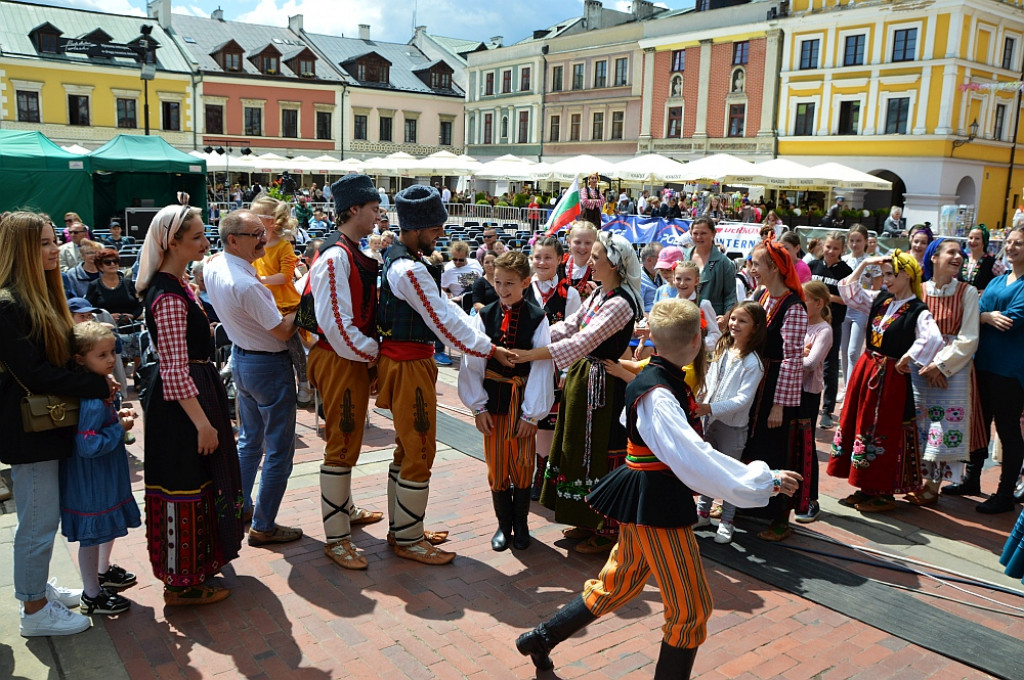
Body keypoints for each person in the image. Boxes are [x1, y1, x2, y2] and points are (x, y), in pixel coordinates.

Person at [515, 298, 803, 677]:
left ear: (652, 338)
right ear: (697, 343)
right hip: (657, 501)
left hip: (646, 494)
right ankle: (543, 637)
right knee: (690, 609)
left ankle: (542, 637)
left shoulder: (653, 376)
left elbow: (659, 438)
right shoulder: (660, 391)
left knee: (618, 583)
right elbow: (693, 456)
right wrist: (764, 480)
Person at [376, 185, 515, 565]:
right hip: (408, 366)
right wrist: (489, 348)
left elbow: (444, 314)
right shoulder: (409, 268)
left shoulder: (398, 258)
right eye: (435, 226)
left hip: (408, 361)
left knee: (408, 447)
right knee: (420, 448)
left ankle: (405, 527)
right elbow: (443, 320)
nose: (440, 233)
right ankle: (407, 538)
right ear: (417, 226)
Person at [1, 211, 117, 636]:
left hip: (44, 426)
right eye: (45, 243)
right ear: (22, 250)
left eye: (55, 241)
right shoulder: (8, 303)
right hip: (26, 429)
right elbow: (34, 373)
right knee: (37, 521)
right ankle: (33, 611)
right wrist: (94, 383)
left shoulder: (38, 296)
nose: (54, 249)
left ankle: (37, 591)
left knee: (38, 519)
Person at [136, 197, 243, 605]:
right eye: (196, 237)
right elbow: (175, 370)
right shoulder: (167, 296)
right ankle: (182, 583)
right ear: (172, 243)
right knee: (185, 483)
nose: (204, 242)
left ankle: (199, 565)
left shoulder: (179, 285)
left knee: (201, 480)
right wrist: (202, 422)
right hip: (183, 404)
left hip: (197, 392)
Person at [513, 233, 644, 554]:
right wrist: (532, 334)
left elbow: (581, 342)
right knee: (579, 448)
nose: (590, 262)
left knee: (601, 449)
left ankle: (609, 528)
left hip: (604, 385)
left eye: (597, 258)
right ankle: (588, 518)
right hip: (585, 379)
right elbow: (570, 326)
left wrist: (532, 354)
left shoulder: (620, 303)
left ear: (614, 264)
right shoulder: (601, 294)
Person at [204, 209, 302, 548]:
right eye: (255, 235)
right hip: (267, 365)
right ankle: (264, 525)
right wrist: (302, 306)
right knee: (278, 451)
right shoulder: (246, 283)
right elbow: (281, 331)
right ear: (233, 240)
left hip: (242, 359)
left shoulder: (215, 264)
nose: (263, 239)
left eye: (263, 232)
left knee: (249, 442)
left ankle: (241, 509)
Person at [304, 174, 385, 570]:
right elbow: (336, 326)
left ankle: (345, 511)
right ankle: (336, 538)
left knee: (348, 438)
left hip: (343, 356)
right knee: (341, 440)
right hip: (340, 358)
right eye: (373, 208)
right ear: (353, 209)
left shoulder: (345, 251)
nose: (377, 214)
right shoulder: (337, 256)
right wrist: (375, 354)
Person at [827, 250, 943, 513]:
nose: (886, 279)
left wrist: (909, 357)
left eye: (892, 274)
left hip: (890, 377)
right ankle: (865, 486)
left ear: (908, 275)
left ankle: (883, 492)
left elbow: (933, 338)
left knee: (880, 430)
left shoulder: (917, 310)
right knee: (860, 424)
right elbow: (848, 290)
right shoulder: (881, 299)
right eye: (885, 273)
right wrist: (866, 263)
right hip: (868, 369)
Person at [458, 252, 554, 551]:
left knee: (523, 464)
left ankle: (521, 524)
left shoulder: (538, 318)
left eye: (510, 283)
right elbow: (472, 363)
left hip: (522, 403)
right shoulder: (484, 316)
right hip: (494, 403)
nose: (503, 289)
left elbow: (541, 368)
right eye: (498, 282)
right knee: (497, 466)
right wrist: (478, 407)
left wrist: (532, 415)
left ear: (526, 282)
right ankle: (503, 525)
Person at [60, 322, 141, 616]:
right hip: (93, 478)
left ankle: (102, 573)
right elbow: (88, 445)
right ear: (81, 359)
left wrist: (116, 417)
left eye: (111, 353)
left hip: (103, 474)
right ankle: (91, 593)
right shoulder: (92, 397)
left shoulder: (99, 389)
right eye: (102, 355)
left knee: (104, 526)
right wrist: (119, 428)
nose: (110, 360)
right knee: (92, 534)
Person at [742, 240, 811, 540]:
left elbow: (793, 359)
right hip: (759, 380)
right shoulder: (763, 295)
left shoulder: (794, 307)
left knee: (779, 447)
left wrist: (779, 404)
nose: (752, 269)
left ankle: (781, 514)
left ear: (774, 267)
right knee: (754, 443)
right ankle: (752, 505)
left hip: (777, 387)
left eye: (757, 264)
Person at [907, 239, 984, 506]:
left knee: (943, 425)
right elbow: (912, 330)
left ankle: (933, 485)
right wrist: (925, 364)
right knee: (920, 423)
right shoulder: (919, 290)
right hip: (921, 365)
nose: (958, 257)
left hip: (954, 368)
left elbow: (969, 338)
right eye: (951, 252)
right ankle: (919, 479)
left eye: (960, 253)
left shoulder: (967, 291)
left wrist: (940, 366)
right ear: (933, 257)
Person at [693, 301, 767, 543]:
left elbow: (742, 401)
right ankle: (703, 512)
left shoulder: (752, 363)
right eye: (733, 318)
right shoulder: (723, 347)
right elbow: (711, 378)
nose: (735, 324)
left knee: (730, 474)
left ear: (755, 328)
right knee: (707, 467)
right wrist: (702, 400)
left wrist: (710, 407)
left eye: (742, 321)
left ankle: (727, 521)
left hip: (732, 427)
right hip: (710, 420)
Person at [968, 225, 1024, 513]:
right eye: (1010, 242)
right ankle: (971, 479)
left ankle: (1004, 493)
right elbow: (975, 313)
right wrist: (986, 316)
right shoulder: (997, 281)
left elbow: (1011, 320)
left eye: (1019, 243)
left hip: (1010, 370)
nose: (1012, 247)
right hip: (984, 364)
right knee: (979, 425)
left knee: (1007, 430)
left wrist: (984, 316)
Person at [524, 237, 582, 499]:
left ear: (560, 260)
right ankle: (521, 471)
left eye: (548, 257)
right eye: (537, 257)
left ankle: (541, 474)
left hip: (555, 367)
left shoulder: (569, 293)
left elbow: (575, 337)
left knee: (548, 423)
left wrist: (568, 370)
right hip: (526, 365)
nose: (542, 262)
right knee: (524, 420)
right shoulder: (523, 288)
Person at [251, 195, 311, 406]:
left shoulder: (284, 247)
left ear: (270, 221)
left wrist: (259, 280)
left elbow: (285, 277)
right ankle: (232, 363)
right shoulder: (255, 243)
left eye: (255, 216)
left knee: (292, 341)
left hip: (284, 302)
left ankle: (304, 381)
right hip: (263, 298)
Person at [795, 281, 834, 522]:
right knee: (790, 444)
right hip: (789, 390)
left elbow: (810, 365)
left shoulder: (824, 330)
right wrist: (801, 352)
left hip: (808, 394)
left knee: (806, 446)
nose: (800, 305)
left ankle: (811, 499)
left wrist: (792, 357)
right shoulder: (797, 325)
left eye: (805, 299)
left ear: (818, 303)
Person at [808, 232, 853, 429]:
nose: (831, 251)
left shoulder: (846, 271)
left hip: (833, 325)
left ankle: (827, 410)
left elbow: (848, 299)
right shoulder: (812, 266)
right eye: (828, 247)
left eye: (835, 248)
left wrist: (827, 297)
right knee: (807, 360)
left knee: (830, 366)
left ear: (842, 250)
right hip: (810, 324)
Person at [840, 225, 881, 403]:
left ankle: (851, 387)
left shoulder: (872, 263)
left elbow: (877, 288)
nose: (855, 244)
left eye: (858, 240)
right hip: (844, 309)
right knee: (843, 350)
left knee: (853, 351)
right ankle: (846, 386)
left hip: (861, 310)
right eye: (852, 240)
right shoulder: (844, 261)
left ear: (866, 242)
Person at [87, 247, 144, 373]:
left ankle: (138, 376)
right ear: (100, 266)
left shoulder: (129, 284)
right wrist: (107, 316)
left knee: (139, 343)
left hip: (130, 328)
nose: (112, 264)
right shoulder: (94, 286)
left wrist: (132, 316)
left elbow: (139, 306)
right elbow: (90, 309)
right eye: (108, 262)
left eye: (115, 261)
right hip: (107, 331)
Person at [686, 217, 737, 317]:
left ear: (713, 233)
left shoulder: (724, 263)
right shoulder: (684, 257)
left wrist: (726, 318)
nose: (699, 237)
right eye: (695, 233)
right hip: (686, 319)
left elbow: (730, 297)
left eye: (703, 233)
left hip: (713, 321)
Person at [673, 260, 721, 351]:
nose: (682, 283)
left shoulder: (703, 304)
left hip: (697, 357)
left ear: (696, 281)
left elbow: (715, 335)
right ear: (673, 279)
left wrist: (698, 345)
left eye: (688, 279)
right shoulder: (671, 305)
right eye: (678, 279)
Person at [559, 221, 598, 298]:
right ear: (569, 242)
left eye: (587, 243)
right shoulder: (559, 266)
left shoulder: (600, 270)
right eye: (577, 242)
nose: (582, 247)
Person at [960, 224, 1003, 293]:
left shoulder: (993, 263)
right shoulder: (962, 260)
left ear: (984, 241)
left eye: (977, 238)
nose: (973, 241)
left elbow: (1004, 285)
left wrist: (986, 292)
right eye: (970, 238)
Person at [638, 242, 663, 313]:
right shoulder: (639, 279)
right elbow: (638, 309)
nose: (665, 260)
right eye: (661, 257)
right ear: (649, 260)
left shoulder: (660, 274)